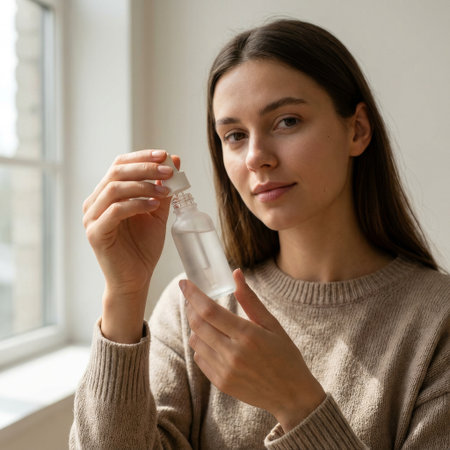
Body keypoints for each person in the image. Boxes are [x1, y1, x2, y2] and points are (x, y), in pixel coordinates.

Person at [70, 19, 449, 449]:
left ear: (357, 130)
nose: (256, 158)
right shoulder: (190, 308)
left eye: (287, 121)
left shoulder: (438, 323)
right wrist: (123, 293)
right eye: (234, 135)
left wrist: (296, 402)